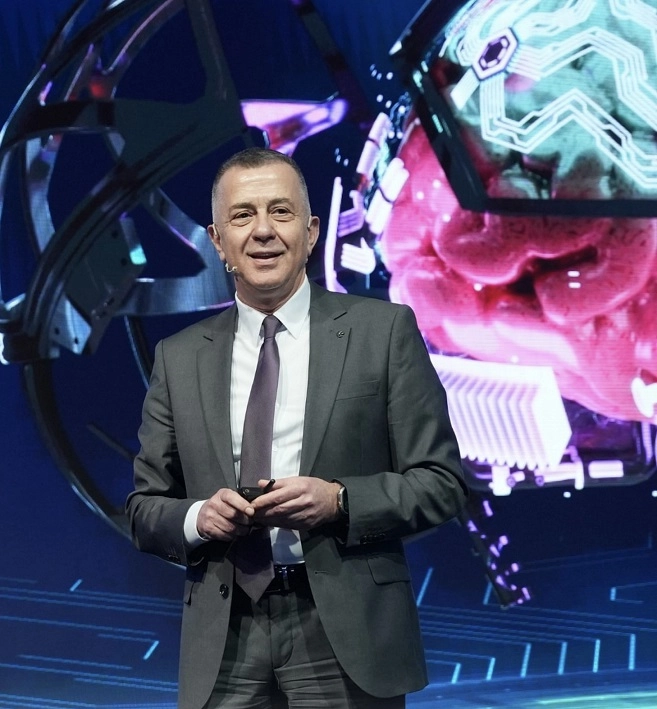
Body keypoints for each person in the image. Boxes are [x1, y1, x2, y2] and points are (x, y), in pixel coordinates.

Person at [126, 146, 468, 709]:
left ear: (311, 233)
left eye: (280, 212)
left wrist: (339, 501)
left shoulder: (382, 332)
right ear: (218, 241)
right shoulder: (179, 357)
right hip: (225, 636)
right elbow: (144, 508)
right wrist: (198, 517)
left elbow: (442, 482)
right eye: (242, 215)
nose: (263, 230)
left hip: (344, 629)